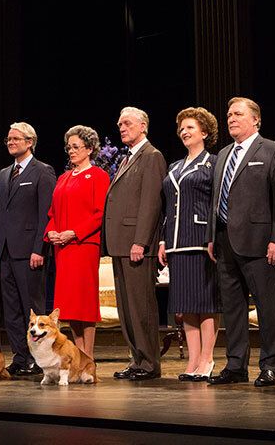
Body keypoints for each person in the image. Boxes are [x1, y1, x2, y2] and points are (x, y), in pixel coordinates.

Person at [206, 97, 275, 387]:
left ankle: (272, 364)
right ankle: (236, 365)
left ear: (256, 120)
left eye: (238, 114)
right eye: (228, 114)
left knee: (267, 306)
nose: (231, 118)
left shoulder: (273, 149)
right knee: (233, 308)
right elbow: (216, 198)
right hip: (225, 241)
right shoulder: (224, 153)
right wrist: (212, 237)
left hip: (260, 241)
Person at [0, 122, 56, 375]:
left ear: (30, 142)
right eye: (8, 139)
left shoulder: (42, 171)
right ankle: (20, 356)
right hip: (4, 252)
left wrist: (40, 248)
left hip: (29, 252)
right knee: (12, 309)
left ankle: (39, 360)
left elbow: (46, 214)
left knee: (32, 309)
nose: (10, 142)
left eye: (15, 139)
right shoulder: (4, 174)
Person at [102, 106, 166, 381]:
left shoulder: (152, 156)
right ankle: (137, 359)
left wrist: (140, 241)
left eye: (126, 123)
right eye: (119, 124)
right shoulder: (128, 158)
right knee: (126, 309)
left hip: (136, 246)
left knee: (141, 308)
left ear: (143, 126)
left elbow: (151, 203)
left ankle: (150, 363)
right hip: (120, 244)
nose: (121, 127)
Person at [158, 107, 222, 381]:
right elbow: (166, 206)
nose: (184, 132)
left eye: (190, 128)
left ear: (204, 133)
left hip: (200, 241)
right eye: (181, 128)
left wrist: (213, 236)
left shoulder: (214, 163)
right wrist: (163, 238)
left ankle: (207, 359)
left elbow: (218, 204)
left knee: (205, 303)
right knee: (186, 306)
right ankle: (193, 360)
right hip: (175, 242)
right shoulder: (174, 166)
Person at [45, 126, 110, 359]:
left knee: (83, 303)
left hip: (83, 246)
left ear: (90, 149)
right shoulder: (63, 178)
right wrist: (51, 232)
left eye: (76, 147)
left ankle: (88, 357)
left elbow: (100, 213)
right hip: (62, 248)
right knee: (70, 305)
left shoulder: (99, 176)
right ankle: (78, 355)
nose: (71, 151)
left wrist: (75, 232)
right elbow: (52, 212)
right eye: (68, 147)